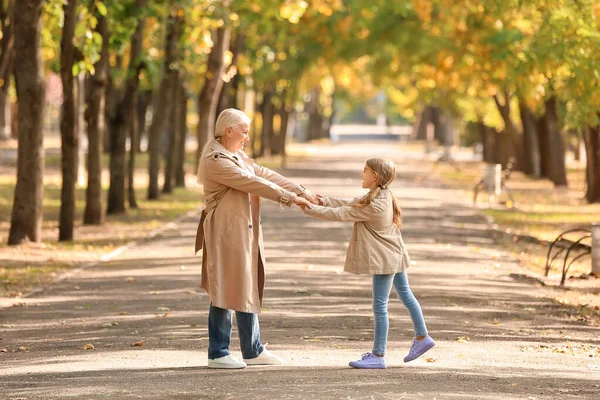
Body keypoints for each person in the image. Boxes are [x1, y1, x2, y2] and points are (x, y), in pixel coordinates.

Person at [196, 108, 316, 369]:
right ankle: (217, 352)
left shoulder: (236, 155)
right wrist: (289, 198)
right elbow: (251, 182)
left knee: (246, 284)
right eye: (244, 131)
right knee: (224, 287)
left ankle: (253, 349)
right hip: (225, 232)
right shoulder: (216, 159)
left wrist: (300, 190)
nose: (247, 137)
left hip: (242, 230)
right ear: (229, 130)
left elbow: (265, 174)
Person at [301, 158, 435, 369]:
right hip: (395, 254)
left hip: (386, 258)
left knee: (380, 306)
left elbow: (343, 214)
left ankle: (378, 355)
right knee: (406, 295)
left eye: (364, 171)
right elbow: (350, 202)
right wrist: (323, 200)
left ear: (375, 176)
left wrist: (309, 208)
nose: (361, 174)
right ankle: (422, 337)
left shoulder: (376, 205)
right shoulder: (382, 194)